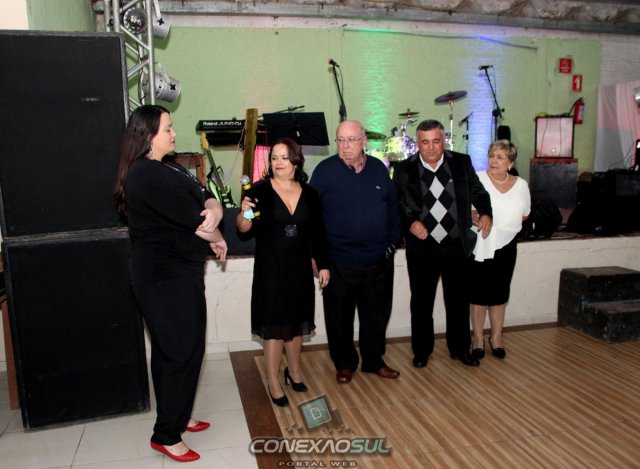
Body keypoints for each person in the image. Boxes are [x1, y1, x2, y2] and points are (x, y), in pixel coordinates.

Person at [114, 105, 227, 463]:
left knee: (171, 350)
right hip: (163, 278)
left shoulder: (169, 167)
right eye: (168, 129)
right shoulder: (147, 175)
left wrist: (215, 212)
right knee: (181, 351)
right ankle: (166, 434)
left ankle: (177, 414)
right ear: (148, 136)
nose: (174, 133)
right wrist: (217, 235)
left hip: (180, 274)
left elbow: (206, 195)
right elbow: (199, 221)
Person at [236, 138, 330, 406]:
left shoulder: (309, 193)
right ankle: (273, 381)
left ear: (296, 161)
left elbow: (318, 232)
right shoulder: (259, 191)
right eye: (274, 157)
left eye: (284, 157)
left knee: (297, 323)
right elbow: (244, 228)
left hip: (300, 268)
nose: (278, 162)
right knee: (275, 326)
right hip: (271, 269)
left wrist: (323, 264)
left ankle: (294, 372)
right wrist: (244, 213)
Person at [392, 119, 492, 369]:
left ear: (444, 141)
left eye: (436, 141)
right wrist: (410, 223)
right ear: (417, 143)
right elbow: (397, 204)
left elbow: (479, 192)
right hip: (422, 247)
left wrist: (485, 212)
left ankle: (460, 349)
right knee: (421, 302)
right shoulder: (404, 169)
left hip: (456, 244)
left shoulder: (461, 163)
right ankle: (421, 351)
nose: (431, 147)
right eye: (425, 142)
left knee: (458, 301)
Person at [310, 120, 401, 384]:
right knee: (339, 318)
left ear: (364, 141)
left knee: (376, 315)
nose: (345, 146)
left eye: (351, 140)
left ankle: (373, 360)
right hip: (338, 261)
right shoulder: (324, 171)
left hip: (377, 260)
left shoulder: (378, 169)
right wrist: (318, 256)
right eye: (340, 140)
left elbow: (393, 209)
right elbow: (312, 217)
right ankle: (345, 363)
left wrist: (391, 244)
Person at [470, 140, 530, 360]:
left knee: (499, 293)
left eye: (500, 157)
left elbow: (525, 214)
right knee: (478, 294)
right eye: (491, 156)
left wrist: (505, 227)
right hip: (482, 243)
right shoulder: (477, 179)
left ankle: (496, 339)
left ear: (510, 162)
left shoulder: (521, 185)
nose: (493, 161)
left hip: (507, 245)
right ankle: (477, 339)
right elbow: (466, 208)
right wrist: (472, 215)